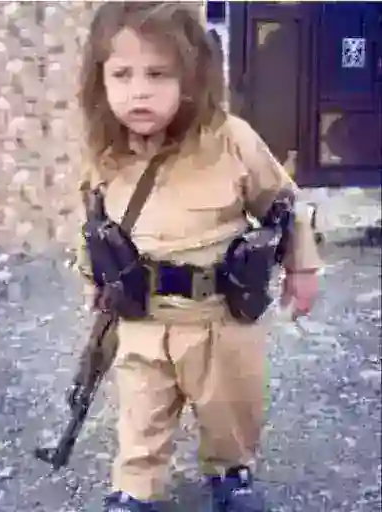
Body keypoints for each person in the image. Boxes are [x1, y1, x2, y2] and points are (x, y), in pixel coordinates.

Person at [75, 3, 321, 511]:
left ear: (191, 78)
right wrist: (92, 281)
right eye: (121, 74)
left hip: (219, 316)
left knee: (229, 407)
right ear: (100, 80)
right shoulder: (105, 152)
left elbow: (283, 206)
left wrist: (302, 267)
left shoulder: (230, 140)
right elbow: (93, 223)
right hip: (142, 317)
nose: (138, 91)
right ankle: (134, 488)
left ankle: (230, 474)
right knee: (141, 411)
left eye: (158, 74)